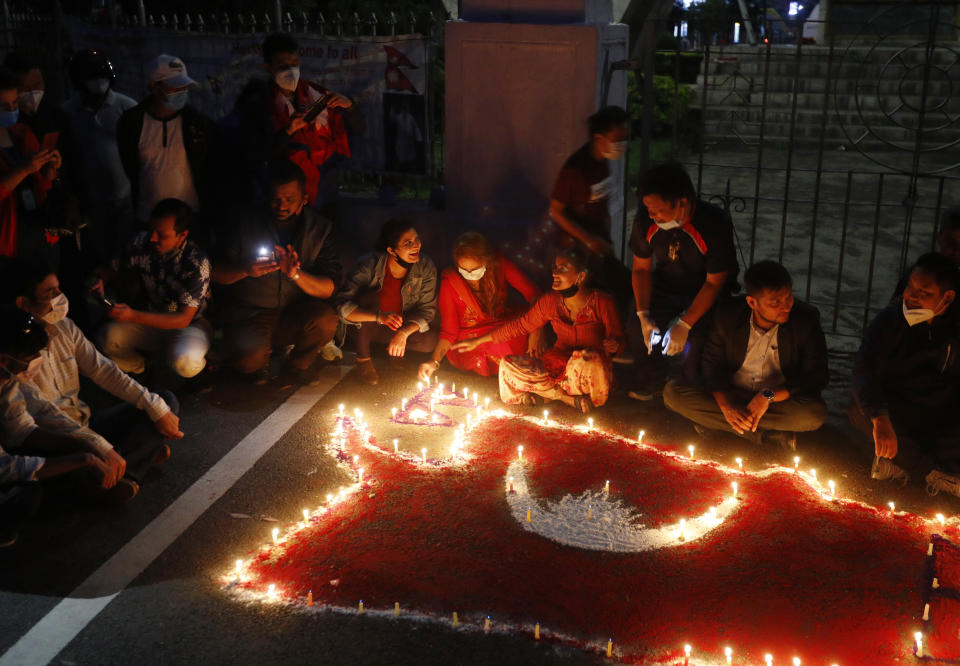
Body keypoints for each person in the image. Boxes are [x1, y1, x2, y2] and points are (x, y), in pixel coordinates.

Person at [3, 257, 182, 480]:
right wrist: (95, 445)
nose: (59, 297)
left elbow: (102, 370)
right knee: (64, 470)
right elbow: (42, 416)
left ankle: (122, 463)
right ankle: (131, 464)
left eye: (58, 288)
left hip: (85, 423)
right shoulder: (11, 355)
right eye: (50, 293)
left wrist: (154, 406)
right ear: (23, 304)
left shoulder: (64, 327)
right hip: (54, 439)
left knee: (164, 401)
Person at [663, 261, 828, 451]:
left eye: (789, 298)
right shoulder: (727, 315)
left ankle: (720, 426)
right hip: (732, 393)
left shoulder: (805, 320)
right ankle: (764, 435)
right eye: (775, 302)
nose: (786, 306)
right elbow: (711, 366)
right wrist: (726, 407)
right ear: (752, 302)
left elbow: (816, 376)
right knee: (673, 393)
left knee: (814, 414)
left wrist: (768, 395)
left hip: (775, 401)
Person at [212, 160, 341, 385]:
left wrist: (296, 275)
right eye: (275, 199)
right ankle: (254, 361)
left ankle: (297, 366)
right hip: (251, 313)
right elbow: (212, 272)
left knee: (325, 321)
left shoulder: (320, 229)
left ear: (305, 199)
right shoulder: (244, 223)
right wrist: (244, 270)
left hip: (295, 312)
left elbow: (329, 287)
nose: (281, 206)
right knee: (248, 363)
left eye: (290, 200)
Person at [452, 248, 624, 413]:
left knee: (589, 359)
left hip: (587, 374)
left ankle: (548, 396)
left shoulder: (602, 302)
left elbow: (618, 342)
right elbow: (520, 326)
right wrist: (477, 341)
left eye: (562, 269)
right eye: (554, 268)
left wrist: (614, 345)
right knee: (508, 365)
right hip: (558, 369)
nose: (554, 273)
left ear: (580, 277)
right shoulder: (550, 301)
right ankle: (565, 398)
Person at [0, 306, 137, 509]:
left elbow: (22, 429)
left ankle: (109, 478)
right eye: (28, 359)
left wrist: (86, 446)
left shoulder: (8, 381)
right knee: (28, 495)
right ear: (4, 358)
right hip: (9, 461)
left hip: (80, 423)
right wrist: (83, 458)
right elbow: (5, 466)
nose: (34, 364)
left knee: (160, 403)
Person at [850, 252, 960, 498]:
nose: (912, 297)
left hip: (942, 416)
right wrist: (880, 417)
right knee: (856, 412)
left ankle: (908, 466)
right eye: (911, 287)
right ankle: (936, 473)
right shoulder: (889, 322)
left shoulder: (955, 329)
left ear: (948, 297)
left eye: (925, 293)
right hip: (897, 411)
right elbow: (863, 371)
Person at [628, 162, 738, 400]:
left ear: (682, 203)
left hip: (706, 290)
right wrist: (643, 314)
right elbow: (641, 269)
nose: (652, 215)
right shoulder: (646, 222)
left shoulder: (713, 224)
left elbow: (714, 283)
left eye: (658, 210)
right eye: (648, 208)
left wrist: (685, 324)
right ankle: (653, 378)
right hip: (667, 284)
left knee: (697, 338)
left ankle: (690, 391)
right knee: (637, 325)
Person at [234, 33, 360, 209]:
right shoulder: (257, 105)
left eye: (294, 65)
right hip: (280, 198)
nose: (290, 71)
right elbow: (256, 154)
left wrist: (350, 106)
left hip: (321, 191)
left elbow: (358, 129)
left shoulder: (315, 95)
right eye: (282, 66)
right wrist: (288, 131)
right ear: (268, 67)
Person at [99, 198, 211, 379]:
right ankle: (142, 369)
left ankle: (197, 372)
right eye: (151, 230)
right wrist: (98, 280)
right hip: (150, 318)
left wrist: (132, 315)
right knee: (107, 337)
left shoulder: (196, 262)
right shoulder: (141, 243)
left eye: (161, 234)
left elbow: (183, 319)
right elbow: (112, 269)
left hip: (189, 326)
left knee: (186, 361)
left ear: (182, 235)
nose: (153, 238)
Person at [417, 231, 542, 382]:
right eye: (464, 271)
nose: (470, 276)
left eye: (475, 270)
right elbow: (449, 331)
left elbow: (534, 294)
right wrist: (434, 361)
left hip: (501, 327)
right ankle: (510, 372)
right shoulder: (451, 281)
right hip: (470, 338)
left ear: (487, 262)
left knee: (516, 332)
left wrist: (537, 331)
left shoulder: (500, 265)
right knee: (498, 346)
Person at [117, 54, 216, 225]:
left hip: (190, 220)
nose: (182, 91)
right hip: (148, 219)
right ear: (155, 86)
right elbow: (130, 167)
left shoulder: (198, 124)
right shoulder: (132, 123)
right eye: (175, 87)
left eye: (184, 86)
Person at [547, 105, 631, 307]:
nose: (621, 145)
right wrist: (588, 240)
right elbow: (555, 211)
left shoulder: (602, 162)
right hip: (577, 245)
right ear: (599, 138)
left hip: (597, 239)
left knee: (618, 290)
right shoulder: (575, 170)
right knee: (594, 297)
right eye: (616, 140)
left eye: (623, 139)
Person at [59, 50, 137, 264]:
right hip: (91, 200)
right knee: (99, 254)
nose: (98, 84)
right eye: (92, 79)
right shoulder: (68, 112)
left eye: (100, 78)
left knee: (128, 253)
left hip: (126, 198)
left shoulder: (127, 107)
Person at [338, 218, 438, 385]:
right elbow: (342, 307)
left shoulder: (425, 266)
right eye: (408, 243)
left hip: (397, 326)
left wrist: (403, 333)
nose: (416, 246)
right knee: (367, 297)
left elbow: (427, 311)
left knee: (429, 341)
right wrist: (379, 317)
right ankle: (363, 358)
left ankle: (395, 350)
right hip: (365, 327)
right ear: (392, 250)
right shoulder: (369, 264)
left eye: (417, 240)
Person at [0, 67, 60, 258]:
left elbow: (42, 182)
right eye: (4, 107)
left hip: (40, 228)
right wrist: (23, 170)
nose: (12, 111)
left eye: (15, 103)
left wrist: (50, 168)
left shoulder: (21, 132)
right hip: (10, 238)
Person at [3, 52, 61, 139]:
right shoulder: (7, 120)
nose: (33, 93)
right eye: (25, 88)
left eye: (37, 85)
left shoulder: (57, 116)